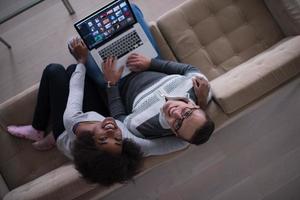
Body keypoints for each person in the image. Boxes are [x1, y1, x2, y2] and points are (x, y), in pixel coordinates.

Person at [7, 38, 188, 187]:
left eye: (103, 139)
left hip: (66, 131)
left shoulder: (71, 121)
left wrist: (81, 60)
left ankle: (39, 130)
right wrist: (187, 119)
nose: (112, 129)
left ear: (87, 142)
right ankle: (53, 132)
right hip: (97, 114)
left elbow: (75, 92)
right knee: (72, 71)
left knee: (54, 70)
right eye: (117, 139)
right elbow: (182, 144)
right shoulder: (128, 142)